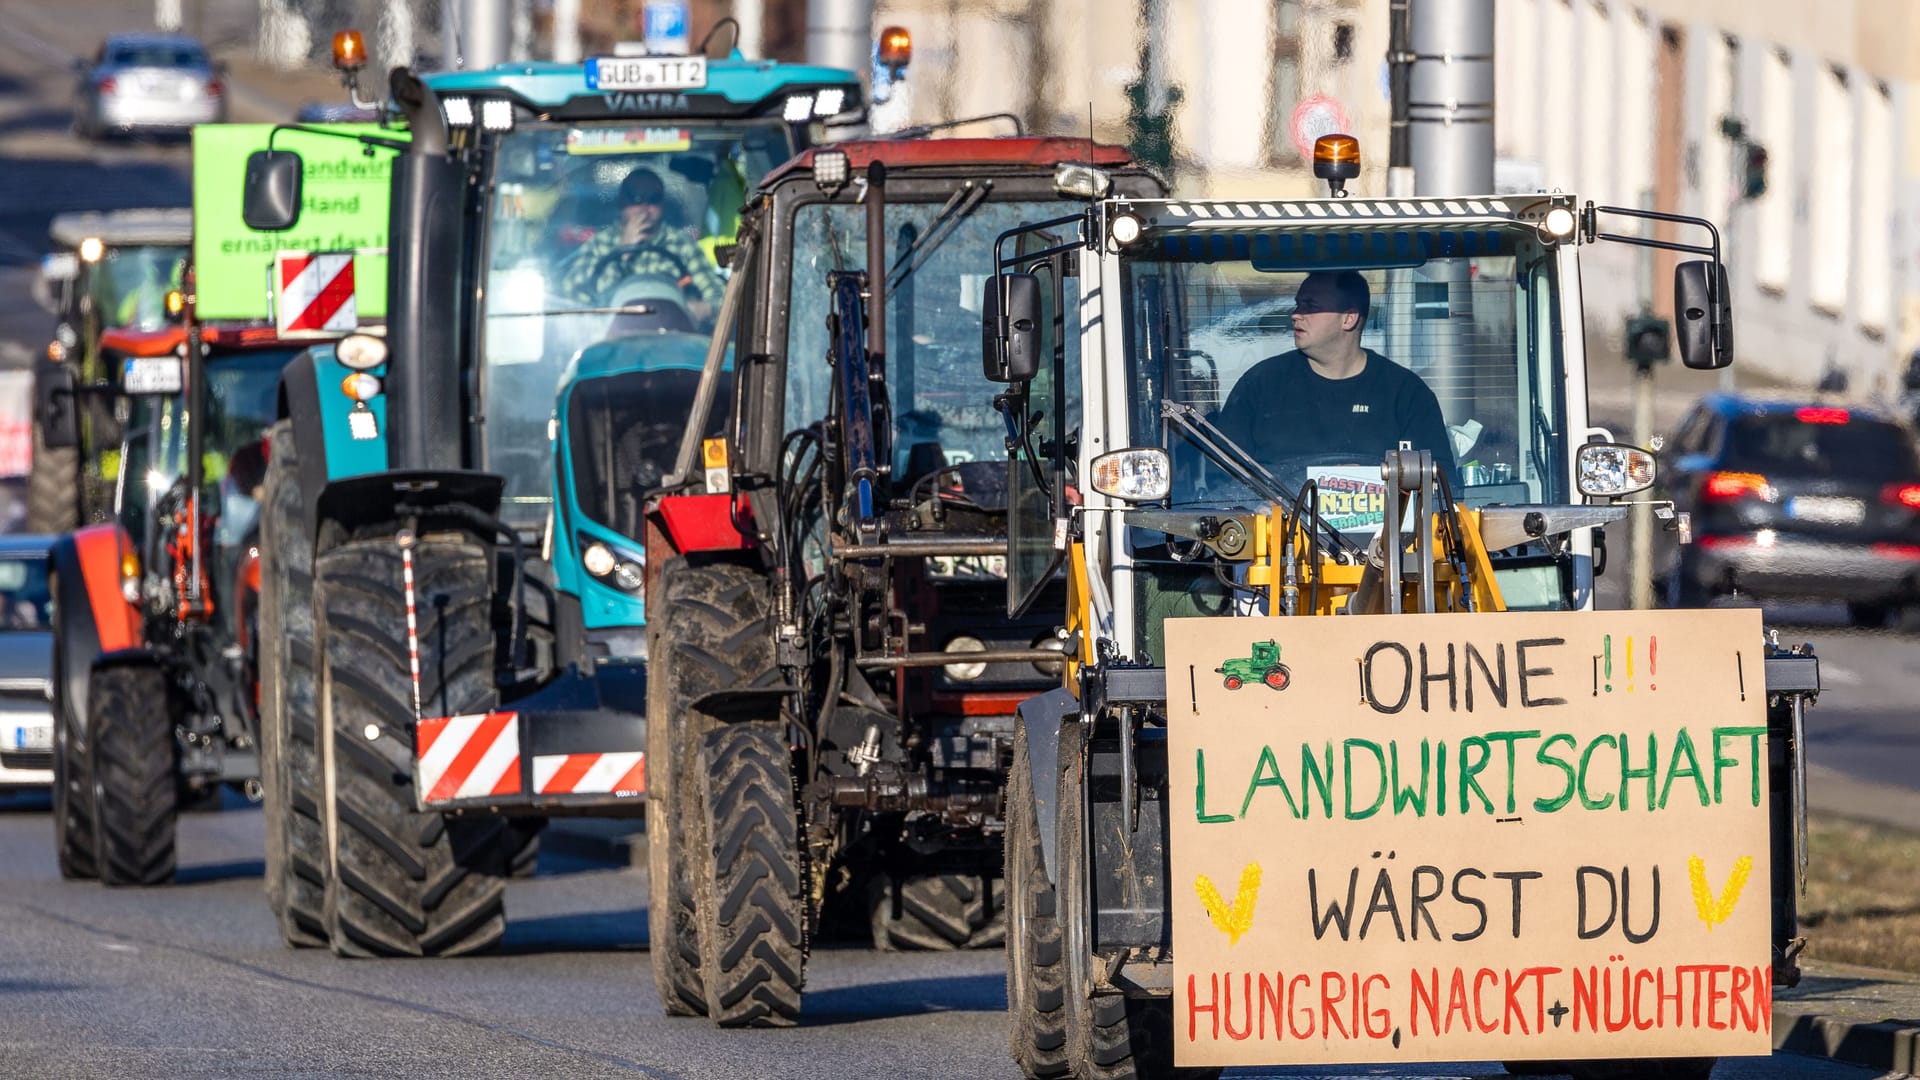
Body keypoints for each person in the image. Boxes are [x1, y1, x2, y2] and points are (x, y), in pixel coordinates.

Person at [1212, 270, 1457, 485]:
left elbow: (1443, 486)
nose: (1296, 314)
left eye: (1310, 306)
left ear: (1348, 319)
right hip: (1277, 535)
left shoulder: (1406, 394)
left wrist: (1369, 486)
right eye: (1298, 304)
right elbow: (1221, 478)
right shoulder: (1259, 385)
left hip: (1389, 537)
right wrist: (1256, 507)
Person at [558, 167, 725, 321]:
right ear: (622, 202)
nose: (644, 207)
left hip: (670, 340)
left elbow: (719, 297)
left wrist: (706, 308)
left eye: (653, 199)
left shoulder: (681, 245)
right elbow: (572, 295)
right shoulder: (598, 245)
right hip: (612, 341)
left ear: (662, 204)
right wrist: (623, 250)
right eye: (636, 198)